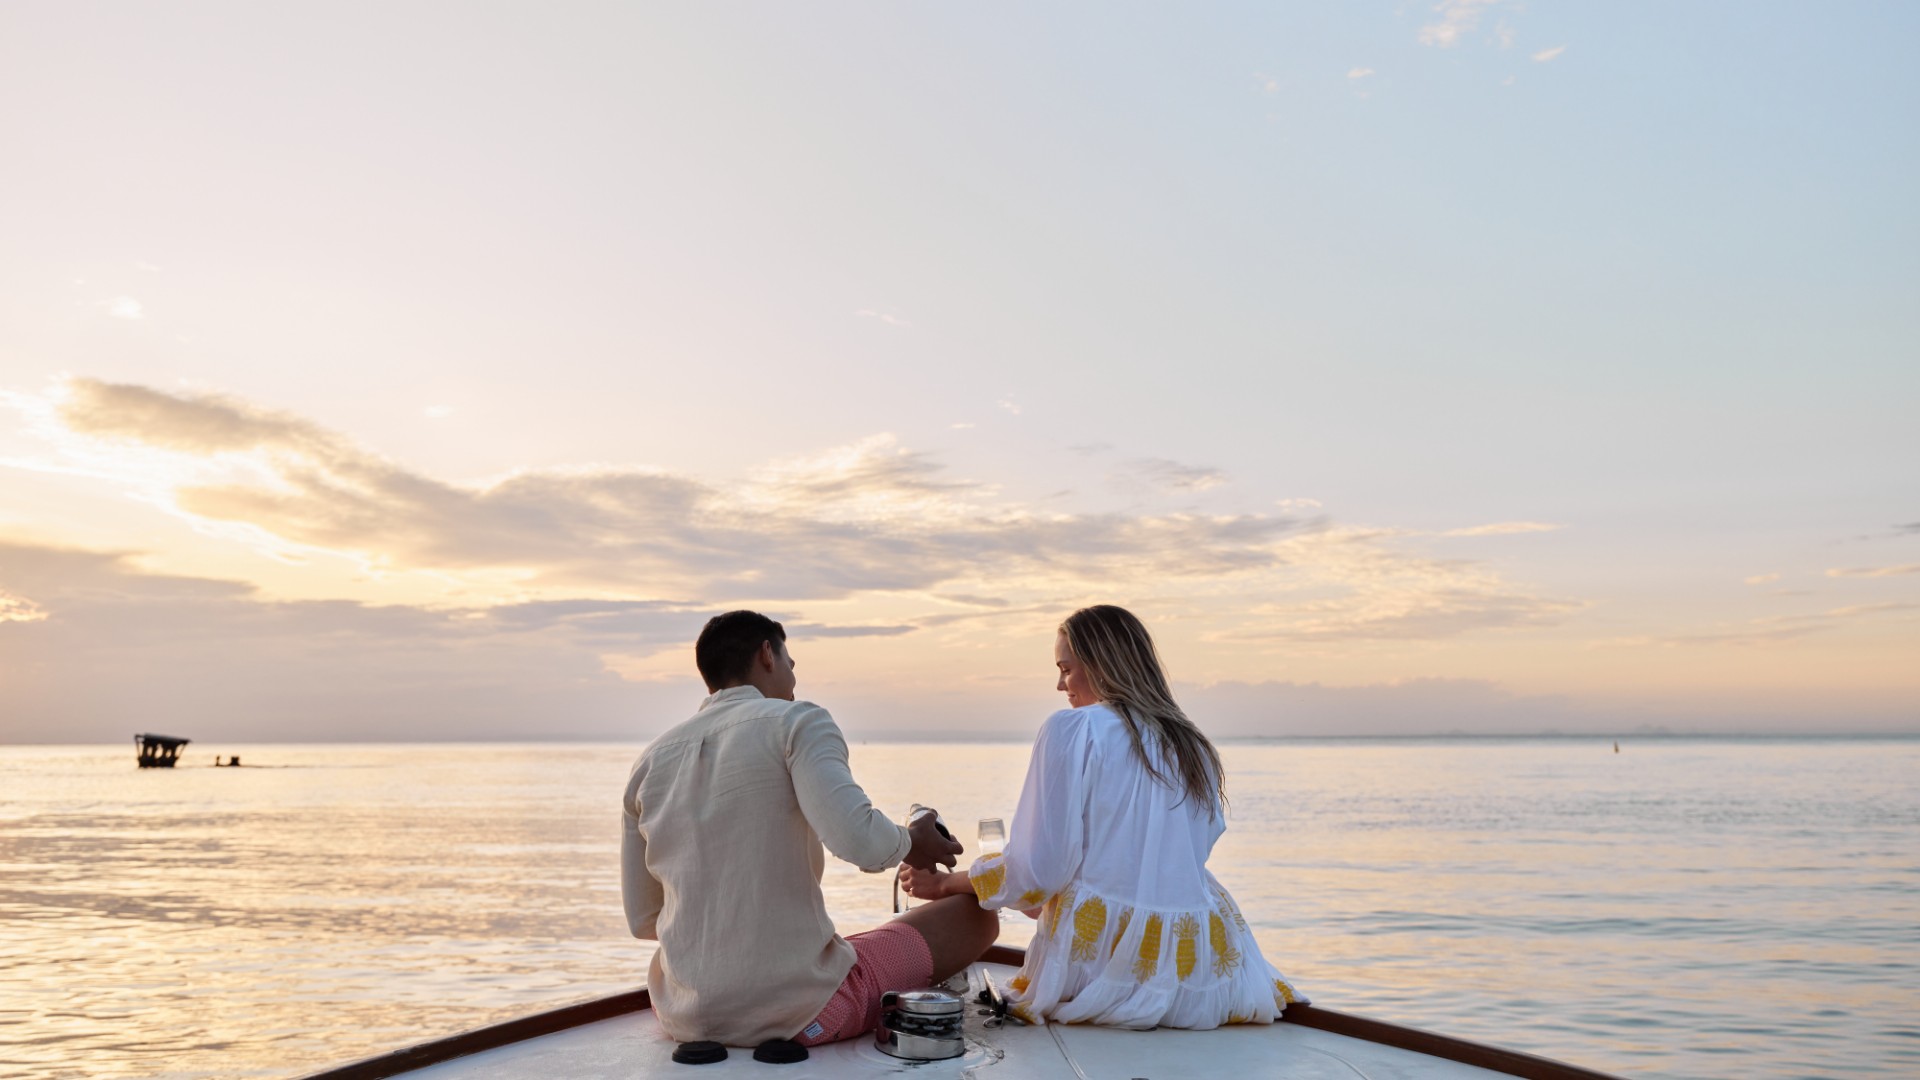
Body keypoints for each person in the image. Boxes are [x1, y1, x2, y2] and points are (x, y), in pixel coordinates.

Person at [900, 604, 1305, 1028]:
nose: (1060, 685)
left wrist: (946, 882)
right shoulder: (1193, 746)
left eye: (1066, 668)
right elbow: (1179, 860)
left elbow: (1038, 872)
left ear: (1101, 665)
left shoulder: (1075, 730)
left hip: (1105, 973)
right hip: (1205, 974)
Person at [622, 610, 999, 1049]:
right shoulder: (798, 722)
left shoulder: (649, 762)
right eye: (790, 662)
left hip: (684, 1017)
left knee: (847, 944)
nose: (794, 677)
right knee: (978, 915)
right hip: (802, 1013)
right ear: (767, 654)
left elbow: (644, 919)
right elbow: (859, 840)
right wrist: (913, 841)